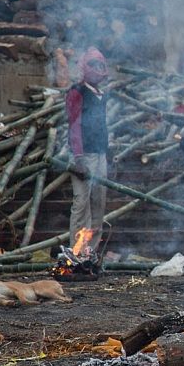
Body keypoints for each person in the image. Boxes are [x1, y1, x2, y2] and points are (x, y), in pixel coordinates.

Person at [66, 48, 110, 253]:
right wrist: (79, 158)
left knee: (99, 202)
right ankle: (76, 251)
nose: (98, 70)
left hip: (100, 154)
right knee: (82, 202)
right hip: (83, 155)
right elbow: (74, 125)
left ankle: (90, 252)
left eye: (101, 65)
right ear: (85, 68)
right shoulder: (77, 92)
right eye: (94, 65)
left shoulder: (102, 95)